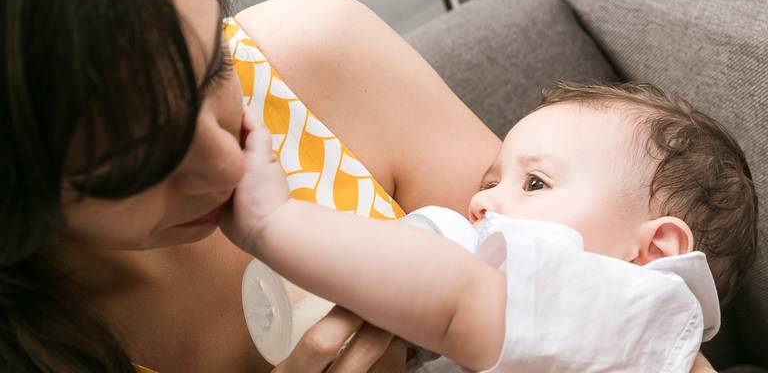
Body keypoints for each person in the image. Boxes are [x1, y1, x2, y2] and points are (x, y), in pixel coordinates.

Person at [0, 0, 721, 371]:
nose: (229, 165)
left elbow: (602, 310)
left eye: (215, 66)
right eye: (138, 159)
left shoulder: (324, 59)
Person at [223, 83, 758, 372]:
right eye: (490, 179)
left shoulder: (632, 309)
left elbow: (456, 299)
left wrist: (277, 222)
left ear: (653, 249)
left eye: (534, 184)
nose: (479, 200)